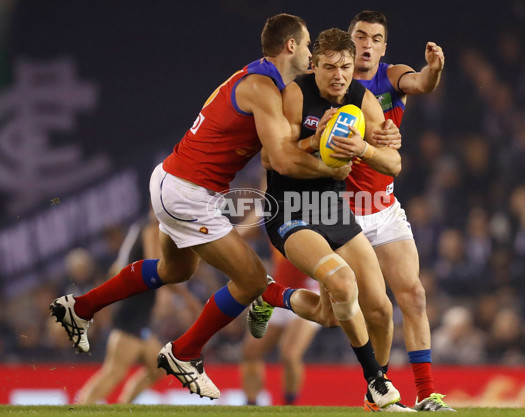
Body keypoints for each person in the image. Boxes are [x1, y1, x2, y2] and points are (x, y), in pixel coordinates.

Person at [49, 13, 349, 400]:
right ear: (290, 45)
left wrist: (313, 140)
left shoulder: (256, 79)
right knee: (253, 279)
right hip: (189, 193)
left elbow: (277, 157)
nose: (310, 53)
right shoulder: (263, 87)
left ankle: (81, 307)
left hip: (173, 180)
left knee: (177, 269)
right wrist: (333, 165)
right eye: (308, 44)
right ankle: (184, 353)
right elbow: (282, 161)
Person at [257, 28, 414, 412]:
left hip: (331, 208)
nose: (339, 75)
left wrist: (363, 149)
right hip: (289, 208)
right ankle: (379, 386)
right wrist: (316, 141)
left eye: (345, 67)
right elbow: (271, 158)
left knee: (373, 309)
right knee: (344, 282)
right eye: (329, 67)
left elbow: (394, 163)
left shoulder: (362, 100)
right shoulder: (295, 94)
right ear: (314, 66)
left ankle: (272, 295)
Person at [347, 11, 454, 412]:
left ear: (384, 47)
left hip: (385, 208)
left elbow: (421, 84)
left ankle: (425, 394)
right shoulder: (330, 83)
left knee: (413, 295)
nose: (367, 44)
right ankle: (273, 293)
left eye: (375, 38)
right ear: (349, 39)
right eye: (360, 36)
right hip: (341, 215)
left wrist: (433, 70)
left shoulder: (392, 76)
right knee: (344, 309)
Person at [76, 211, 203, 404]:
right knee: (115, 372)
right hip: (133, 311)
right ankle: (80, 408)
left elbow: (118, 268)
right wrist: (188, 298)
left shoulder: (138, 229)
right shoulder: (151, 230)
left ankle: (123, 407)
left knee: (158, 367)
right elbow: (157, 270)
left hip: (136, 310)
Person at [240, 249, 320, 406]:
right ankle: (251, 405)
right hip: (278, 291)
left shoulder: (316, 224)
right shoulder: (266, 224)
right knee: (251, 351)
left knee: (289, 354)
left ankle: (290, 406)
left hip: (308, 294)